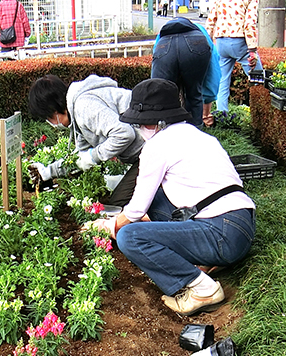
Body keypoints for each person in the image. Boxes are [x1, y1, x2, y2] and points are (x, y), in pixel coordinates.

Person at [90, 78, 256, 316]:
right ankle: (206, 262)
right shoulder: (197, 135)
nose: (138, 128)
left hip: (221, 234)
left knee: (129, 237)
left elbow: (135, 211)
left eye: (140, 123)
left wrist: (107, 226)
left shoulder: (156, 146)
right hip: (241, 224)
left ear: (156, 122)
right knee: (157, 200)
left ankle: (202, 288)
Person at [27, 74, 145, 206]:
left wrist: (94, 156)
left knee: (120, 203)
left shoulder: (84, 106)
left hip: (158, 149)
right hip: (147, 152)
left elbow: (124, 133)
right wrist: (48, 171)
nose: (51, 123)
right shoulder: (77, 113)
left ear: (54, 110)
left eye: (49, 118)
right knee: (121, 200)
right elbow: (80, 157)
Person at [152, 17, 220, 127]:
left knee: (162, 95)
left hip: (165, 45)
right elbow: (213, 73)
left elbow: (155, 83)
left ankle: (163, 133)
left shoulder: (162, 35)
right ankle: (195, 133)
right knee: (194, 94)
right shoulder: (201, 32)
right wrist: (206, 109)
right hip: (196, 44)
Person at [206, 0, 263, 113]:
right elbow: (249, 24)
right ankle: (261, 114)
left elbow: (211, 21)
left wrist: (208, 43)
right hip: (240, 40)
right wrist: (252, 50)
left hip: (221, 41)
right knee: (258, 78)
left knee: (222, 81)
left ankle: (222, 115)